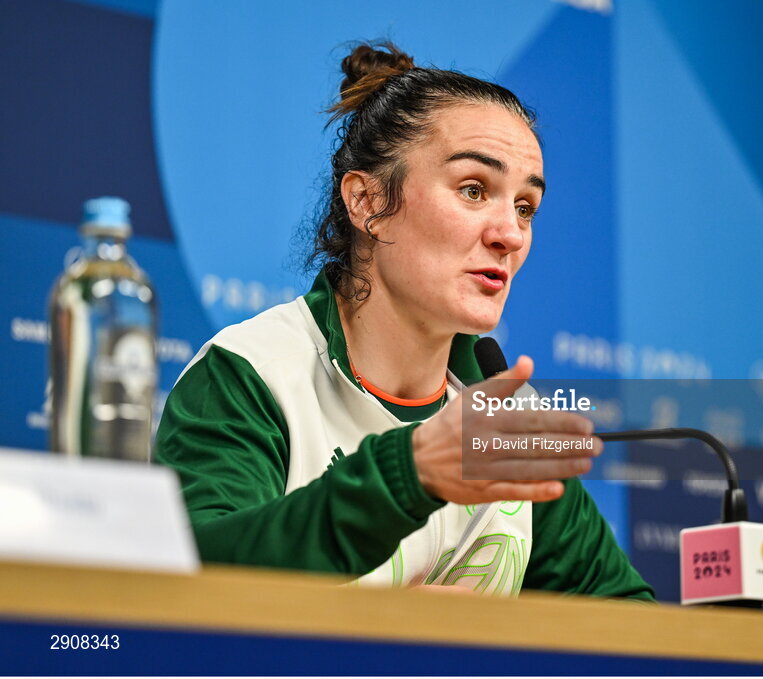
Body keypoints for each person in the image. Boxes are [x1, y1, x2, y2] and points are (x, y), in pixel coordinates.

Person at [155, 42, 654, 600]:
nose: (510, 235)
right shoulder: (252, 375)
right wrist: (406, 476)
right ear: (367, 202)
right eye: (473, 189)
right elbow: (196, 584)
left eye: (524, 207)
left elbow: (626, 622)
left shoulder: (505, 419)